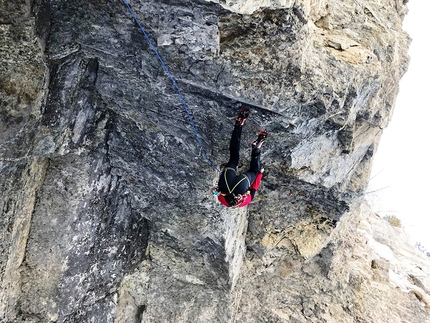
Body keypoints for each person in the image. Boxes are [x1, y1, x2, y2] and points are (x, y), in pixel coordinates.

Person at [213, 108, 267, 208]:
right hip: (226, 181)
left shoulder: (243, 202)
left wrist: (259, 174)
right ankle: (239, 123)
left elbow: (254, 188)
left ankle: (256, 147)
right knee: (234, 156)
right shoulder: (222, 200)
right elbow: (215, 190)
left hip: (241, 185)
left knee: (254, 171)